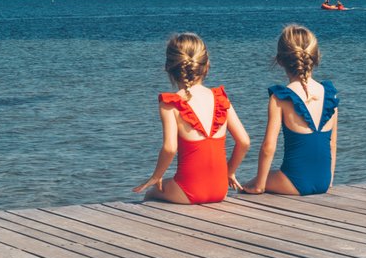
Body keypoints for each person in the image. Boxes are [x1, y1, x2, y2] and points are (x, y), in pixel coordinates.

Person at [134, 32, 250, 203]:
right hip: (220, 190)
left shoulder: (171, 103)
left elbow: (169, 148)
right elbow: (244, 142)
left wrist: (156, 176)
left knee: (151, 193)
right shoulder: (220, 98)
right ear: (207, 65)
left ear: (169, 68)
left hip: (188, 190)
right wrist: (229, 172)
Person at [243, 23, 339, 196]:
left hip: (294, 182)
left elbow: (268, 147)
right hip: (324, 181)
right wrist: (329, 180)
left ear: (280, 60)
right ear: (315, 57)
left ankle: (253, 185)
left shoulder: (280, 97)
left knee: (250, 182)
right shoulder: (330, 94)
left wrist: (259, 185)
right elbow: (332, 144)